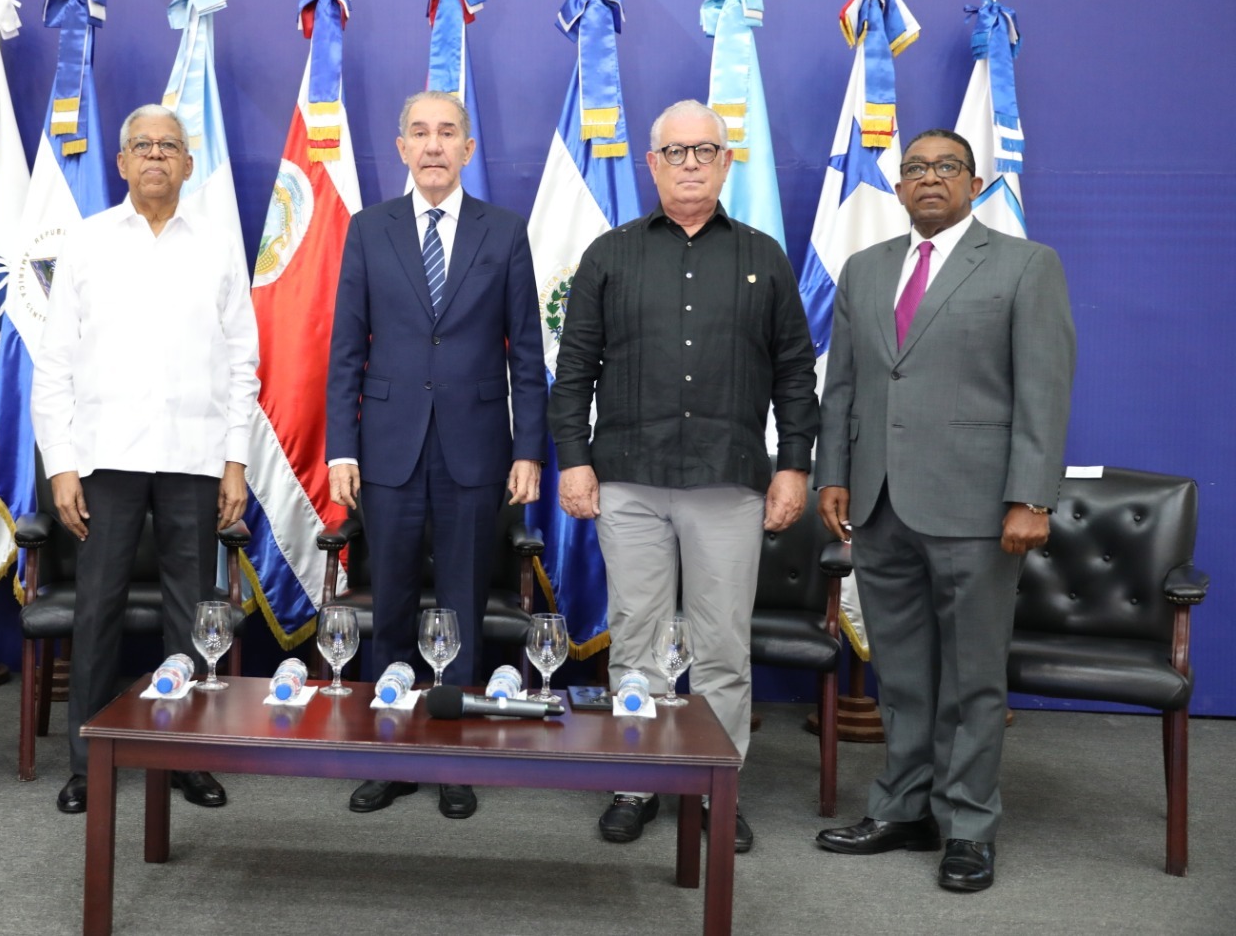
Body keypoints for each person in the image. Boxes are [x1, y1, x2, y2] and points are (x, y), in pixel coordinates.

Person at [549, 99, 818, 852]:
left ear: (726, 162)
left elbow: (797, 375)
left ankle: (714, 790)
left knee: (723, 648)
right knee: (635, 641)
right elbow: (574, 370)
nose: (690, 163)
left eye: (704, 150)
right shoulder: (610, 254)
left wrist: (794, 466)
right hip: (628, 482)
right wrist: (574, 458)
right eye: (675, 151)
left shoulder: (765, 256)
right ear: (653, 163)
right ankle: (636, 782)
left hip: (729, 484)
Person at [812, 128, 1076, 892]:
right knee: (900, 674)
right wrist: (834, 475)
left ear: (974, 182)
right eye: (916, 168)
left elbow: (1044, 389)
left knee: (971, 679)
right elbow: (845, 385)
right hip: (879, 503)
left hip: (977, 507)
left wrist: (1031, 497)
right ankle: (903, 809)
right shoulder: (865, 269)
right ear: (899, 187)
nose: (930, 178)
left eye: (947, 167)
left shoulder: (1026, 265)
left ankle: (968, 827)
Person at [31, 104, 258, 816]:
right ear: (122, 162)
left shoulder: (218, 244)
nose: (155, 155)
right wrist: (61, 465)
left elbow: (243, 362)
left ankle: (185, 756)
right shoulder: (87, 242)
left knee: (192, 616)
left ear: (188, 163)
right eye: (142, 145)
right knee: (96, 610)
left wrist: (236, 461)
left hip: (195, 456)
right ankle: (88, 762)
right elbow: (54, 362)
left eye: (169, 145)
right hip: (106, 458)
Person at [326, 91, 547, 820]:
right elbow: (345, 351)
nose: (432, 145)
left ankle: (454, 757)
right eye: (419, 133)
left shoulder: (503, 231)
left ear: (467, 148)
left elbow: (527, 354)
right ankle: (388, 757)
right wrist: (341, 448)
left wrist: (528, 449)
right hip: (387, 449)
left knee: (461, 607)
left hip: (475, 450)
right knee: (389, 607)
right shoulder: (369, 229)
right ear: (400, 148)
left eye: (447, 132)